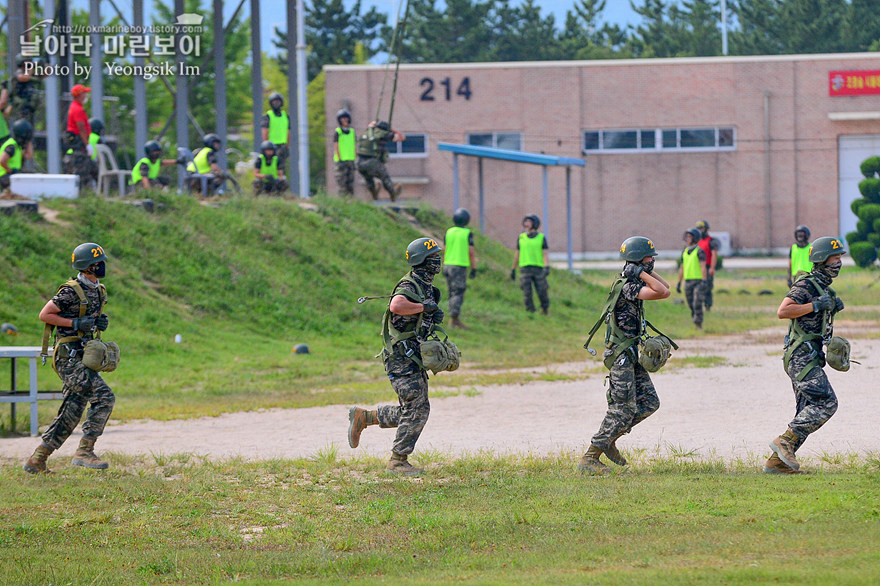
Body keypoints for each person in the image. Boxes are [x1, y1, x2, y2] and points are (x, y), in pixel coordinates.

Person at [347, 237, 445, 475]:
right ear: (422, 261)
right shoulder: (410, 285)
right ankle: (397, 461)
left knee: (412, 408)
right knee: (418, 408)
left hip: (412, 355)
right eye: (434, 258)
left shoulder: (426, 285)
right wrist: (424, 308)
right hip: (401, 356)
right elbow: (397, 305)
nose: (438, 262)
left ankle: (365, 417)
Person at [579, 236, 671, 474]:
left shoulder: (634, 278)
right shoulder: (628, 286)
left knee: (650, 402)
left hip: (630, 353)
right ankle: (590, 457)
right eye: (649, 258)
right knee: (623, 409)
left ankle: (609, 439)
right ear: (638, 259)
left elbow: (666, 288)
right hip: (620, 355)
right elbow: (661, 292)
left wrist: (642, 269)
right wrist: (640, 273)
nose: (652, 261)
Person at [23, 243, 115, 474]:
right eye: (97, 263)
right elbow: (45, 314)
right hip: (68, 357)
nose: (101, 266)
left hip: (82, 355)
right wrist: (73, 324)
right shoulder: (71, 290)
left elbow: (88, 318)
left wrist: (98, 323)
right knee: (104, 397)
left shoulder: (98, 289)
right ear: (86, 267)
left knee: (72, 410)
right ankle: (84, 451)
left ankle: (37, 459)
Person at [766, 237, 847, 475]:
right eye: (835, 257)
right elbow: (783, 311)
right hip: (801, 357)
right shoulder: (806, 285)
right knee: (826, 403)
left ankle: (777, 463)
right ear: (822, 259)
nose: (839, 262)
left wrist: (830, 304)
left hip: (808, 357)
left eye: (840, 257)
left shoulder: (823, 288)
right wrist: (815, 306)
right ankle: (784, 442)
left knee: (806, 410)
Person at [443, 208, 477, 328]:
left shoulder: (449, 232)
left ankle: (452, 317)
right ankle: (454, 319)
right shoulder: (467, 233)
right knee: (458, 292)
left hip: (447, 265)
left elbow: (445, 249)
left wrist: (443, 264)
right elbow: (471, 252)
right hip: (459, 266)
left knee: (451, 291)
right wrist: (474, 268)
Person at [511, 214, 550, 314]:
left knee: (542, 290)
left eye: (529, 222)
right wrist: (513, 268)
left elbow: (545, 254)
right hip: (525, 268)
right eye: (525, 221)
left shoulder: (541, 238)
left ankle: (544, 308)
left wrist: (546, 266)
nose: (526, 224)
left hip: (538, 268)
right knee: (526, 291)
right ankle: (530, 310)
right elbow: (517, 254)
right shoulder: (521, 237)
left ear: (535, 224)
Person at [356, 120, 404, 201]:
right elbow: (401, 138)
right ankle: (393, 193)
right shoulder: (384, 135)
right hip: (372, 163)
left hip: (359, 164)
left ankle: (374, 193)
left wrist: (371, 127)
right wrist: (392, 130)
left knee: (369, 178)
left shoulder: (366, 132)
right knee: (385, 177)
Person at [63, 84, 96, 185]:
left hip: (77, 140)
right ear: (79, 95)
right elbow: (81, 129)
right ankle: (81, 189)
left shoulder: (76, 107)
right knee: (81, 167)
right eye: (84, 93)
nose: (86, 96)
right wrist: (87, 145)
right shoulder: (78, 109)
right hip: (78, 142)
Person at [676, 228, 708, 329]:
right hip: (688, 281)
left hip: (698, 281)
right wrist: (679, 282)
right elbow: (682, 268)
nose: (687, 239)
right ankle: (695, 319)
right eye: (687, 236)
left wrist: (704, 280)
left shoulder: (699, 252)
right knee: (690, 303)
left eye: (689, 237)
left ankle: (698, 323)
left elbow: (703, 267)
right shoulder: (684, 252)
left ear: (695, 238)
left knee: (697, 302)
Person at [0, 120, 34, 191]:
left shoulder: (17, 146)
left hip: (9, 175)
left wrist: (29, 141)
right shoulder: (11, 146)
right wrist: (10, 170)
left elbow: (28, 156)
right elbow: (2, 161)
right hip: (4, 176)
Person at [695, 220, 721, 311]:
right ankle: (698, 305)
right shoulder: (697, 241)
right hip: (698, 268)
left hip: (707, 266)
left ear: (706, 229)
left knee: (707, 287)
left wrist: (712, 268)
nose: (700, 230)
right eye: (698, 229)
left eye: (701, 228)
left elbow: (714, 254)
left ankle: (708, 305)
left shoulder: (711, 241)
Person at [261, 92, 290, 166]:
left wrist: (286, 147)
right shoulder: (268, 116)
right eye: (274, 101)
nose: (276, 103)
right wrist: (266, 147)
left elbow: (288, 132)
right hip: (271, 147)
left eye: (278, 101)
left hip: (282, 146)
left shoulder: (285, 116)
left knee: (281, 168)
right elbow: (265, 132)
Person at [333, 109, 356, 196]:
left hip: (350, 160)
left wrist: (355, 157)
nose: (344, 120)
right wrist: (339, 158)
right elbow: (336, 145)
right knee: (342, 182)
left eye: (346, 118)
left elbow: (354, 146)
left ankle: (350, 200)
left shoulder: (352, 132)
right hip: (341, 161)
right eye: (342, 119)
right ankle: (343, 199)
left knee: (350, 183)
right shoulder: (338, 132)